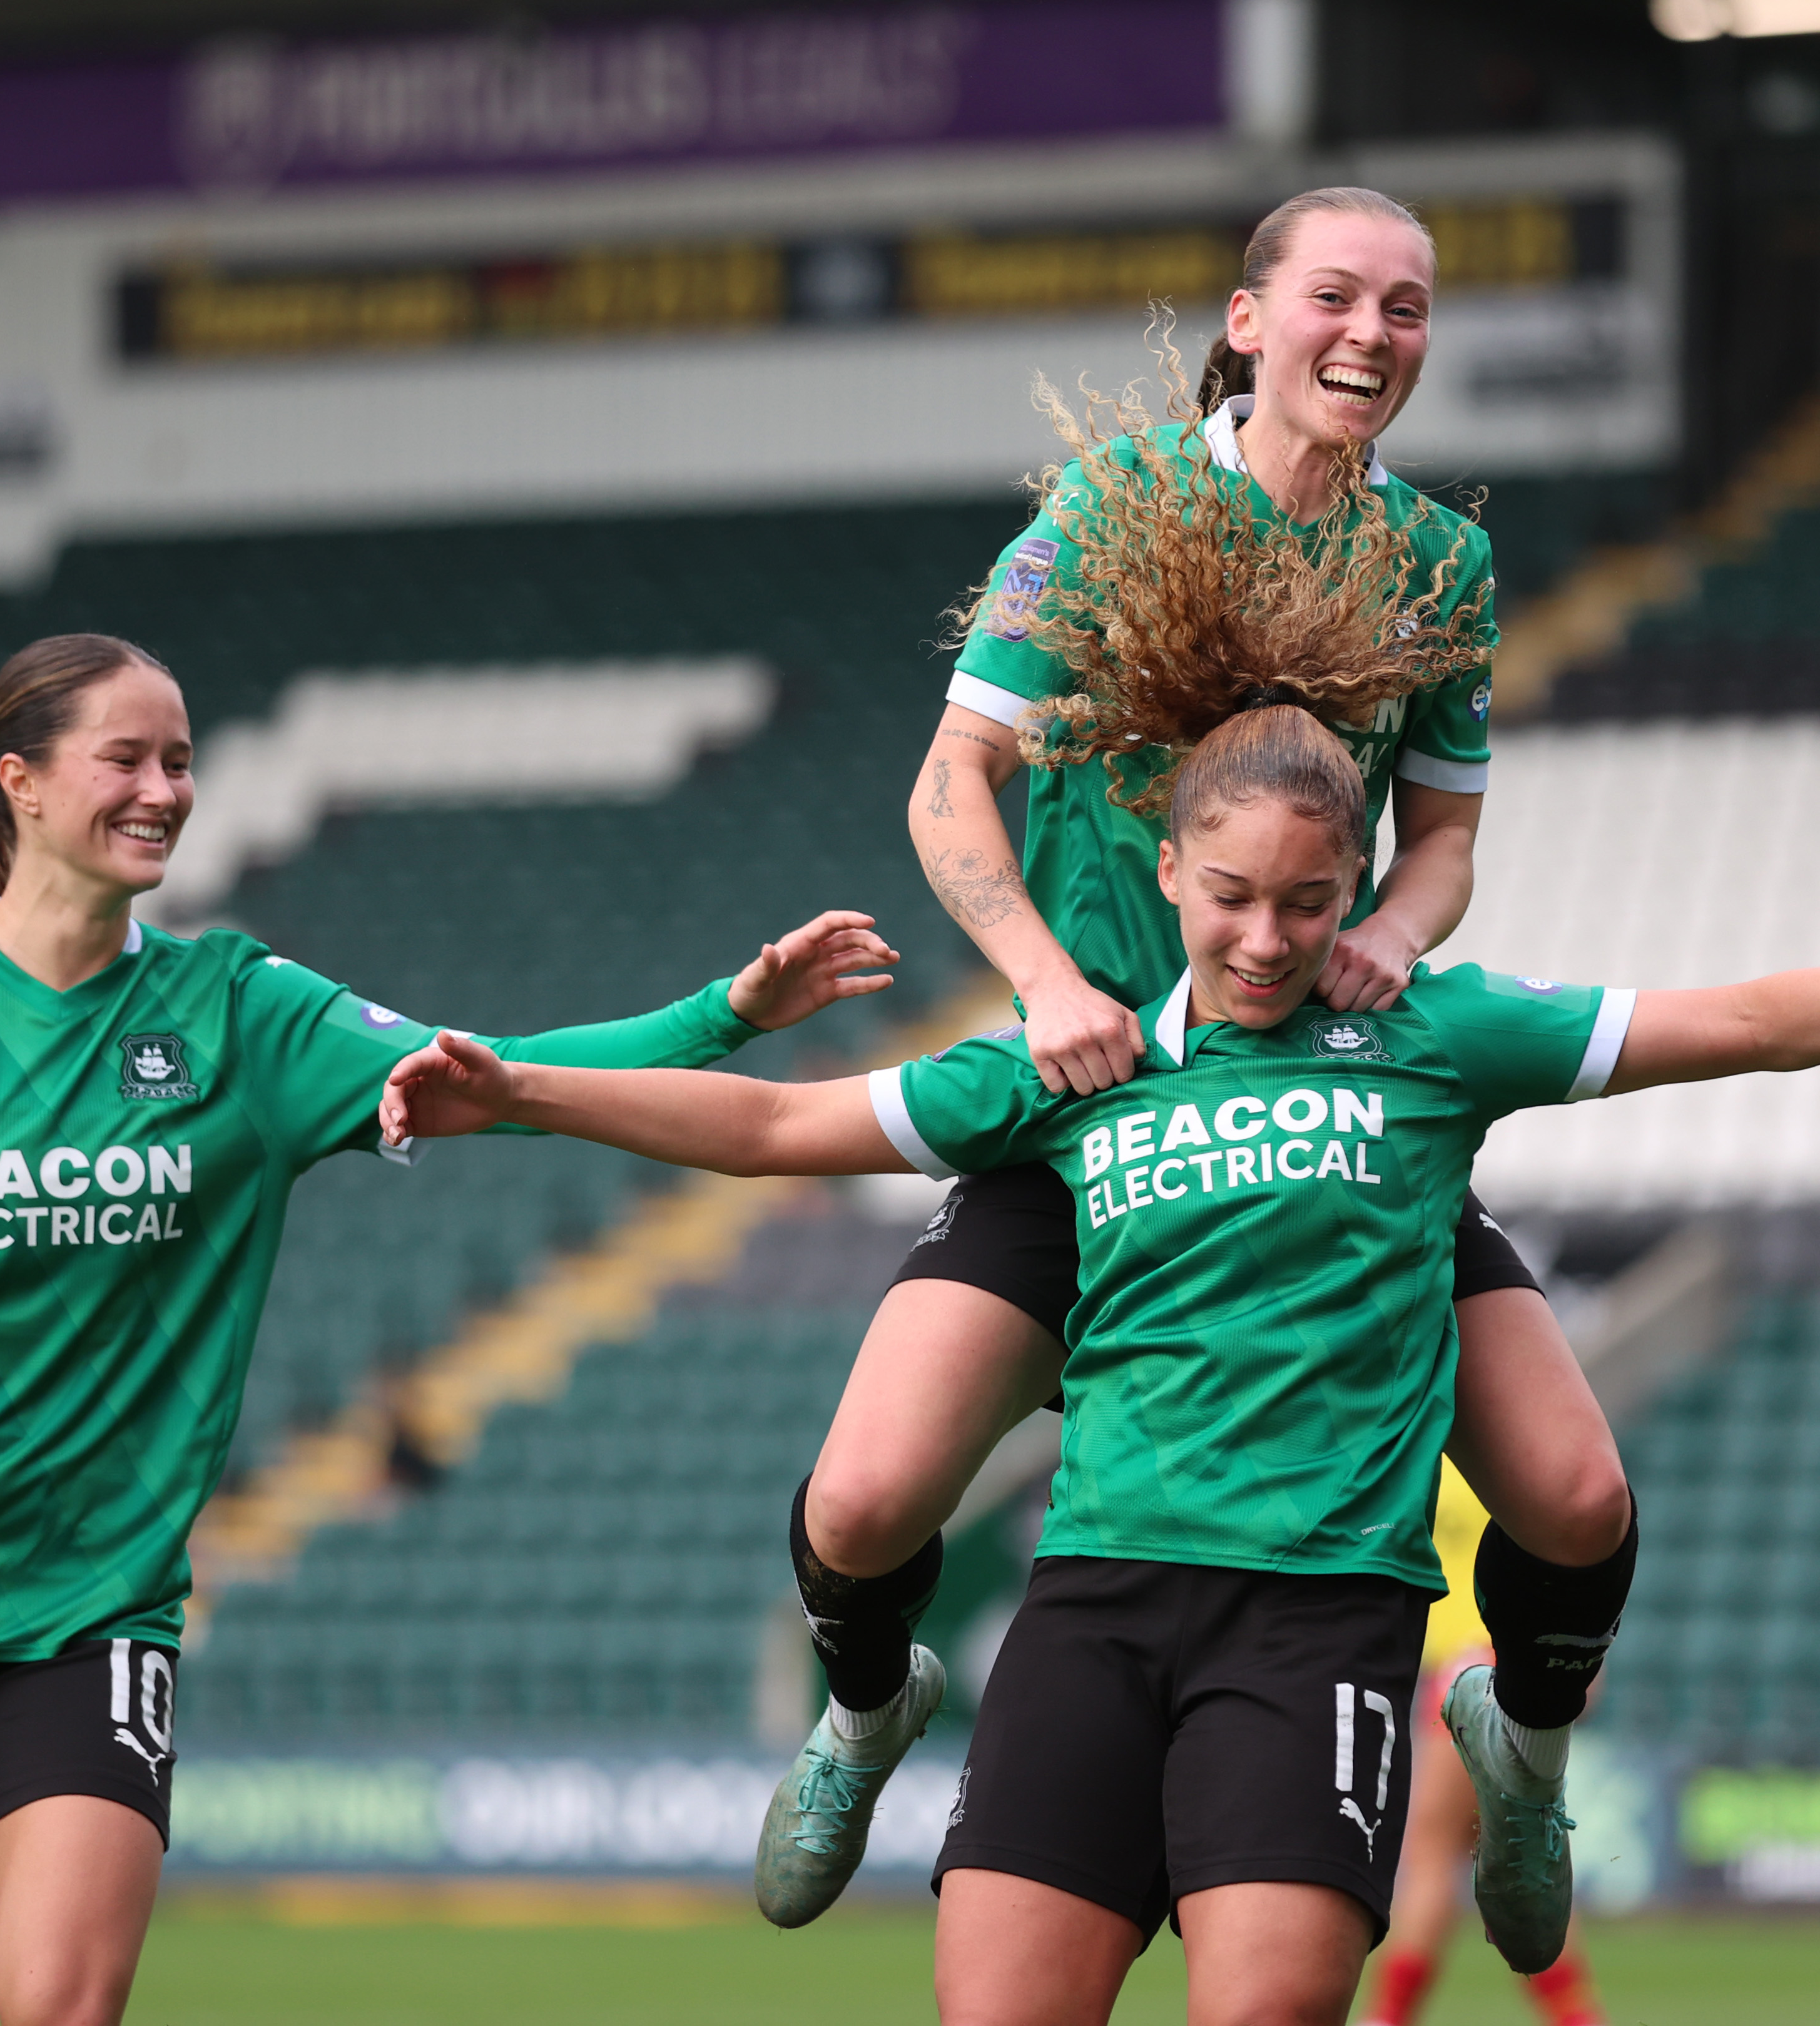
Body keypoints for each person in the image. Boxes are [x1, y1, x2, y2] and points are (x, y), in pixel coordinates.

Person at [379, 704, 1820, 2025]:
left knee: (1272, 2004)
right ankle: (868, 1700)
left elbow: (1732, 1023)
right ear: (1165, 879)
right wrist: (517, 1083)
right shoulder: (1076, 1065)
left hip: (1316, 1618)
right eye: (1232, 896)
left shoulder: (1435, 1036)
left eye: (1308, 899)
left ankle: (1522, 1746)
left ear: (1358, 888)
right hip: (1093, 1605)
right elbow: (769, 1121)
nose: (1271, 935)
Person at [0, 633, 895, 2026]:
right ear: (18, 782)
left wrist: (727, 1012)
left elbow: (495, 1081)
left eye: (182, 760)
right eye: (127, 758)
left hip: (85, 1612)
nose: (165, 787)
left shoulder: (235, 1008)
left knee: (61, 2008)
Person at [763, 185, 1637, 1941]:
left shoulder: (1436, 562)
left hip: (1320, 1117)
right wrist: (1038, 978)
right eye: (1336, 296)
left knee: (1574, 1492)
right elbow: (953, 783)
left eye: (1407, 306)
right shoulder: (1119, 508)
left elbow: (1448, 838)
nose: (1372, 334)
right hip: (1091, 1111)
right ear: (1247, 320)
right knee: (862, 1501)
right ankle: (868, 1707)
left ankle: (1522, 1760)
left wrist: (1404, 924)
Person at [1358, 1465, 1605, 2026]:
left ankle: (1386, 2018)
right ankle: (1579, 2019)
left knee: (1433, 1859)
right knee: (1526, 1855)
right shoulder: (1510, 1445)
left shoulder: (1420, 1447)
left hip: (1461, 1675)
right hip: (1514, 1663)